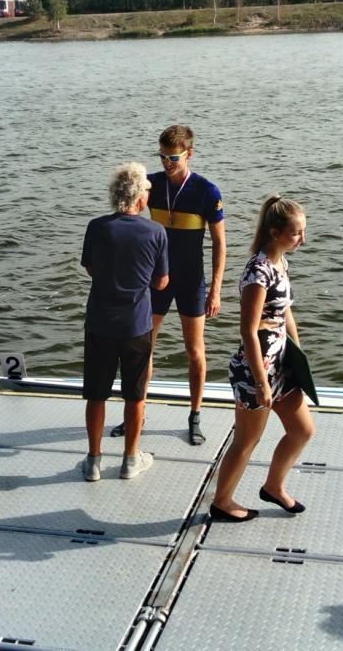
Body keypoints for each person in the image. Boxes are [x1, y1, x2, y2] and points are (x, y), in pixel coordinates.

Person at [110, 124, 225, 445]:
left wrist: (216, 289)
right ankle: (136, 414)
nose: (166, 163)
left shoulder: (207, 191)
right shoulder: (152, 184)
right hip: (156, 278)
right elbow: (126, 206)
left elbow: (220, 244)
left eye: (173, 158)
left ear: (189, 154)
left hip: (191, 279)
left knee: (194, 350)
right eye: (162, 156)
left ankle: (195, 416)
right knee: (144, 348)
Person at [211, 195, 313, 522]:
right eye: (296, 233)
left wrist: (298, 357)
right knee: (247, 440)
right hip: (255, 370)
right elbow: (248, 330)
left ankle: (273, 486)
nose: (302, 239)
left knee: (302, 430)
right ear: (274, 232)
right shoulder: (258, 272)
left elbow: (285, 313)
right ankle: (222, 502)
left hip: (281, 366)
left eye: (303, 232)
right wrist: (260, 382)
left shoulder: (281, 263)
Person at [81, 162, 170, 482]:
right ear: (140, 198)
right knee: (135, 395)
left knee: (96, 394)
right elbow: (162, 282)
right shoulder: (156, 232)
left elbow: (90, 268)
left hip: (100, 323)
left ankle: (93, 461)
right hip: (137, 326)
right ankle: (131, 459)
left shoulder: (96, 227)